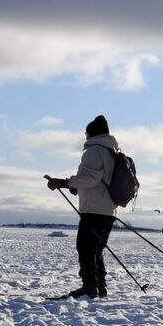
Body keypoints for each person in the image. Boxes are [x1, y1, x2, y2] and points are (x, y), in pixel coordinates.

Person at [45, 114, 119, 299]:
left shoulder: (95, 150)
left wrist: (64, 182)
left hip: (94, 209)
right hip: (107, 209)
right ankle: (98, 287)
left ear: (91, 133)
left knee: (86, 248)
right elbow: (98, 180)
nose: (85, 136)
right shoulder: (110, 150)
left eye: (86, 133)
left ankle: (90, 288)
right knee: (95, 250)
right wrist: (77, 187)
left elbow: (90, 178)